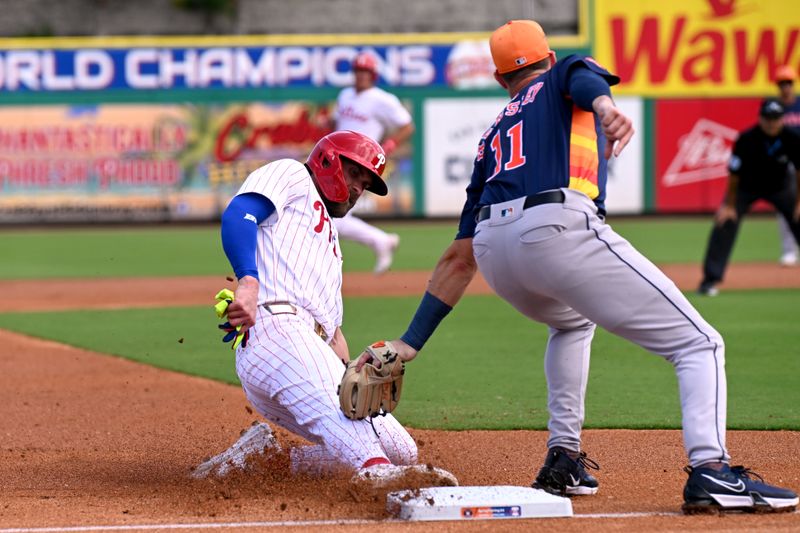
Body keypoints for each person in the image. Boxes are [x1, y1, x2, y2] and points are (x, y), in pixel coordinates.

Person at [353, 20, 798, 513]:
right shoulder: (564, 71)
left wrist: (410, 341)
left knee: (570, 322)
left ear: (502, 80)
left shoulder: (492, 138)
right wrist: (605, 106)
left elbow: (460, 255)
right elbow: (585, 81)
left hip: (494, 250)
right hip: (555, 227)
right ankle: (712, 470)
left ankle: (563, 457)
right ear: (547, 58)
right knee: (699, 342)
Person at [192, 131, 457, 491]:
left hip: (306, 347)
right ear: (329, 160)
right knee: (366, 445)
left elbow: (331, 330)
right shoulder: (291, 175)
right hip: (277, 332)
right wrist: (248, 282)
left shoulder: (330, 243)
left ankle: (264, 459)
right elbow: (240, 214)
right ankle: (373, 470)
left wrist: (348, 371)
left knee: (402, 450)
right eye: (355, 176)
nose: (358, 189)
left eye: (365, 184)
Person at [698, 99, 800, 296]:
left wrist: (799, 202)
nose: (771, 123)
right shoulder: (747, 139)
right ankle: (710, 280)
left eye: (776, 118)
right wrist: (729, 205)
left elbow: (798, 171)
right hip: (746, 187)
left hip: (781, 187)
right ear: (760, 118)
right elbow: (734, 173)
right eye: (767, 118)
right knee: (725, 222)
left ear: (782, 119)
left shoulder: (792, 138)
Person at [329, 52, 415, 274]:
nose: (361, 75)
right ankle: (381, 240)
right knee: (335, 214)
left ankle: (379, 241)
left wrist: (388, 146)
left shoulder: (382, 99)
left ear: (373, 75)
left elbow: (407, 126)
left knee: (335, 215)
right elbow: (337, 123)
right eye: (358, 70)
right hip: (339, 159)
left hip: (360, 161)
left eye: (365, 71)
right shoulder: (345, 95)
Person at [774, 65, 800, 266]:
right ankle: (789, 251)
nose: (786, 87)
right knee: (786, 208)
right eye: (782, 83)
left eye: (788, 82)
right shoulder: (774, 109)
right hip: (784, 163)